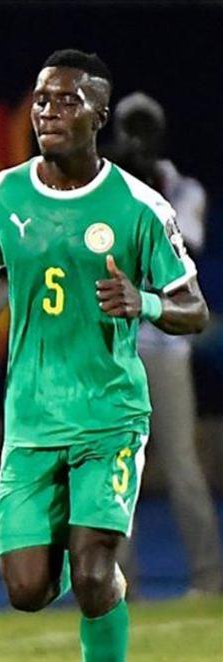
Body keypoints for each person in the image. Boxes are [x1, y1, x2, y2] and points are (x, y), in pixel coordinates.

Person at [0, 49, 208, 662]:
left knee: (92, 574)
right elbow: (1, 270)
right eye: (41, 99)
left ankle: (99, 585)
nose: (49, 111)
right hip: (31, 420)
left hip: (109, 416)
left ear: (99, 114)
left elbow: (193, 308)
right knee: (27, 591)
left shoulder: (140, 206)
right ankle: (77, 551)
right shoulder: (2, 194)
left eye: (67, 100)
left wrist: (140, 301)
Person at [105, 91, 222, 597]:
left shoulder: (184, 189)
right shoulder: (103, 184)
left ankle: (209, 579)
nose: (136, 139)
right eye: (128, 128)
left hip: (165, 349)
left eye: (143, 128)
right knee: (113, 471)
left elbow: (181, 253)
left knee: (181, 468)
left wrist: (148, 194)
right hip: (115, 348)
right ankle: (118, 583)